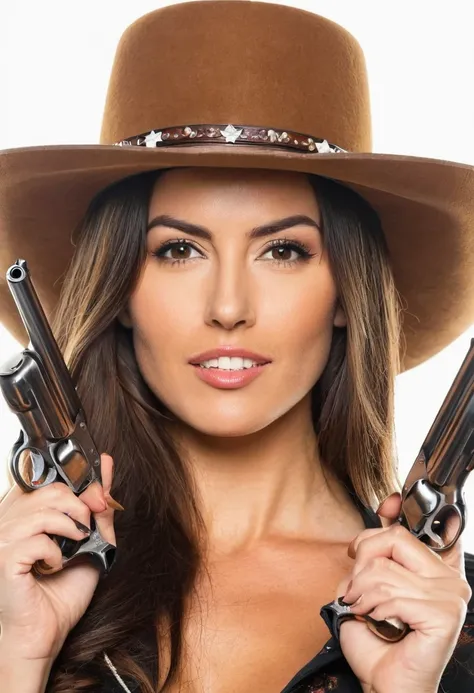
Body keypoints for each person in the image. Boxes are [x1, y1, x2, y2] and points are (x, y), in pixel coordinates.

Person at [0, 2, 473, 692]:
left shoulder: (440, 626)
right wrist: (17, 658)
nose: (228, 308)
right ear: (122, 288)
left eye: (282, 250)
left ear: (345, 291)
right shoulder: (19, 588)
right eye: (179, 249)